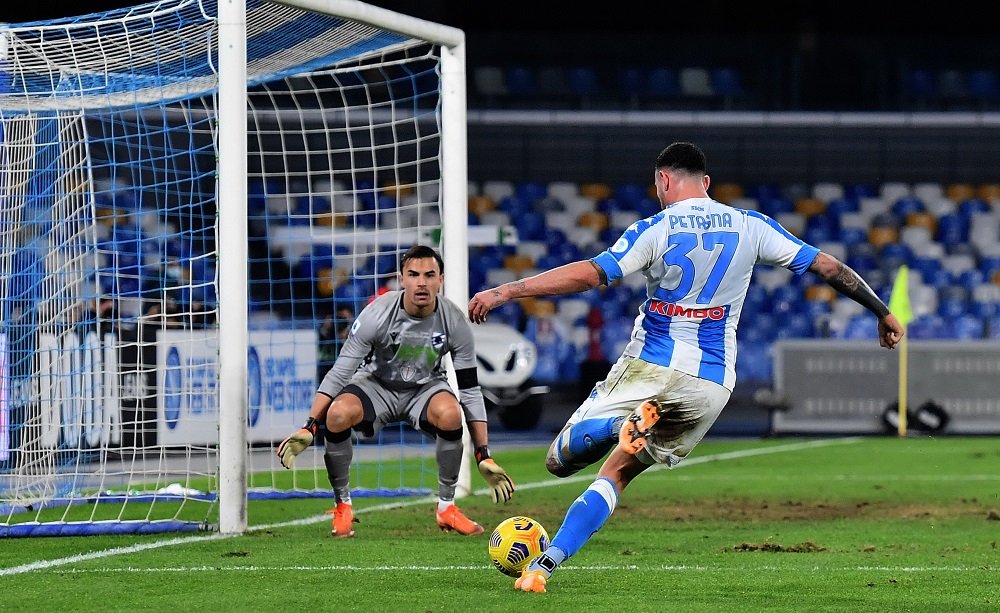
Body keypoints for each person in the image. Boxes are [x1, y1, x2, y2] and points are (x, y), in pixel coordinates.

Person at [468, 142, 905, 592]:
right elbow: (829, 267)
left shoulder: (654, 227)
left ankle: (618, 422)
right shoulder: (751, 225)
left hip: (651, 365)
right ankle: (544, 567)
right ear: (707, 182)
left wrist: (509, 291)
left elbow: (593, 274)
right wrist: (882, 312)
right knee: (617, 472)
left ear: (662, 180)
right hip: (711, 383)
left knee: (559, 461)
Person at [277, 244, 515, 538]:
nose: (422, 282)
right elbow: (341, 371)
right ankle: (343, 505)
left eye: (429, 275)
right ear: (402, 279)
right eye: (413, 274)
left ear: (441, 279)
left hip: (425, 388)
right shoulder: (377, 313)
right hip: (377, 385)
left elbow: (469, 390)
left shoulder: (455, 322)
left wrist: (483, 454)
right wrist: (310, 425)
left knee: (451, 413)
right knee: (337, 414)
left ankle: (447, 508)